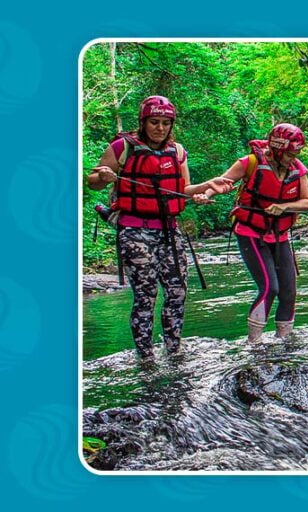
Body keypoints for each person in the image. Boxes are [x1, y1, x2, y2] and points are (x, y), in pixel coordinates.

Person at [86, 96, 233, 361]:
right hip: (134, 230)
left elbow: (183, 190)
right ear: (143, 122)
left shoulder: (177, 152)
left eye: (166, 123)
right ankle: (146, 357)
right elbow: (93, 182)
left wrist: (205, 187)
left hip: (169, 229)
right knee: (146, 294)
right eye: (154, 122)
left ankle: (174, 351)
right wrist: (102, 176)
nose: (160, 128)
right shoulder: (123, 147)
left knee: (177, 292)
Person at [202, 123, 308, 342]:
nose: (294, 158)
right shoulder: (250, 163)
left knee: (289, 292)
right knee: (270, 287)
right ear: (279, 149)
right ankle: (254, 343)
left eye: (297, 153)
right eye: (291, 153)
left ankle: (284, 341)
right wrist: (205, 194)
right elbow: (222, 183)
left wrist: (284, 207)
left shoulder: (297, 170)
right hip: (251, 233)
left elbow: (307, 202)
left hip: (279, 236)